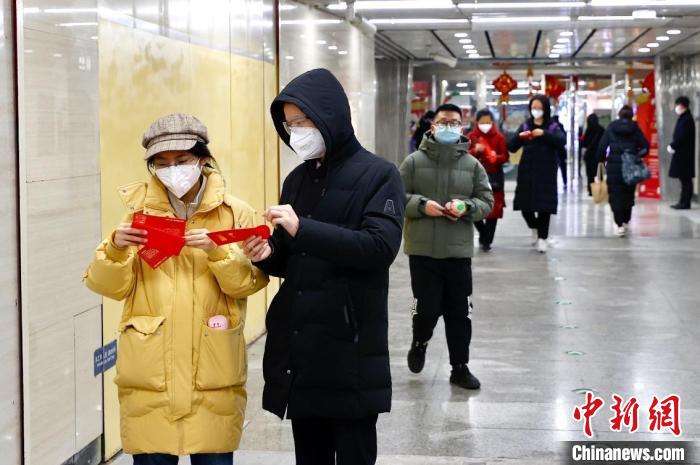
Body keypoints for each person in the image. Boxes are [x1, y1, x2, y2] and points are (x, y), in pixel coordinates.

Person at [241, 68, 405, 465]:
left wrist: (303, 228)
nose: (296, 132)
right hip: (302, 349)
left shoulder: (379, 175)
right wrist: (268, 254)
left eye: (303, 121)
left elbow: (379, 247)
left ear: (331, 116)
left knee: (353, 453)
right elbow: (290, 256)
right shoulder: (297, 179)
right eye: (290, 124)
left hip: (350, 348)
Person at [84, 113, 269, 465]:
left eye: (182, 160)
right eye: (162, 163)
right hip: (150, 373)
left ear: (202, 158)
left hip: (213, 371)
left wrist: (218, 252)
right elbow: (111, 288)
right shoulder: (136, 215)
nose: (173, 170)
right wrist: (115, 249)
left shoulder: (236, 213)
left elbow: (250, 282)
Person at [400, 103, 494, 390]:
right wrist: (420, 205)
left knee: (459, 312)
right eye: (444, 122)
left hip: (458, 252)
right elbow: (394, 196)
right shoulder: (414, 162)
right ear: (433, 125)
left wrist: (466, 206)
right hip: (423, 252)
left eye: (454, 123)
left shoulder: (472, 165)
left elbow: (487, 201)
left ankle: (459, 366)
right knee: (425, 309)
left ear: (462, 127)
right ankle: (420, 341)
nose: (449, 127)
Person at [507, 95, 566, 253]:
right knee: (525, 207)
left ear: (545, 108)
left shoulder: (553, 126)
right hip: (527, 171)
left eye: (539, 107)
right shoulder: (526, 125)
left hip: (546, 173)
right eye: (534, 107)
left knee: (544, 208)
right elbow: (512, 147)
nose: (536, 111)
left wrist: (544, 134)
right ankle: (534, 227)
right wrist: (520, 136)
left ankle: (542, 238)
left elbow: (561, 141)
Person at [597, 105, 650, 237]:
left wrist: (601, 161)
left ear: (619, 115)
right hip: (630, 167)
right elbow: (645, 147)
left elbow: (602, 147)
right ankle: (626, 221)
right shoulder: (635, 128)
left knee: (615, 195)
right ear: (631, 115)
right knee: (628, 194)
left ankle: (619, 224)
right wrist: (636, 156)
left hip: (614, 166)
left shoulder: (611, 127)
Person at [467, 108, 509, 251]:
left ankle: (487, 241)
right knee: (473, 208)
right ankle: (483, 233)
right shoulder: (471, 137)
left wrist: (494, 157)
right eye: (483, 122)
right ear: (477, 122)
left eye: (488, 122)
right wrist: (474, 151)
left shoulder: (499, 137)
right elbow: (463, 155)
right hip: (474, 178)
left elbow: (505, 157)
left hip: (494, 177)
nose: (486, 124)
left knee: (493, 210)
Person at [668, 96, 696, 209]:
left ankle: (685, 202)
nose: (676, 107)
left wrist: (672, 145)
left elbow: (682, 136)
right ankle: (683, 201)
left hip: (684, 154)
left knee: (685, 179)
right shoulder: (684, 117)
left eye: (677, 105)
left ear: (682, 106)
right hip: (682, 153)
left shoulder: (687, 119)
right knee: (684, 179)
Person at [581, 113, 606, 196]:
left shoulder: (588, 130)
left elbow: (584, 143)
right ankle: (600, 190)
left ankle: (591, 190)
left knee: (590, 174)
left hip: (590, 155)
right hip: (600, 154)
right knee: (600, 172)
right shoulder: (602, 129)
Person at [552, 114, 568, 190]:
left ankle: (553, 182)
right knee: (563, 168)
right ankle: (565, 182)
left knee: (553, 169)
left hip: (554, 151)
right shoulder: (560, 126)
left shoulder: (552, 127)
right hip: (561, 151)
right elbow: (564, 139)